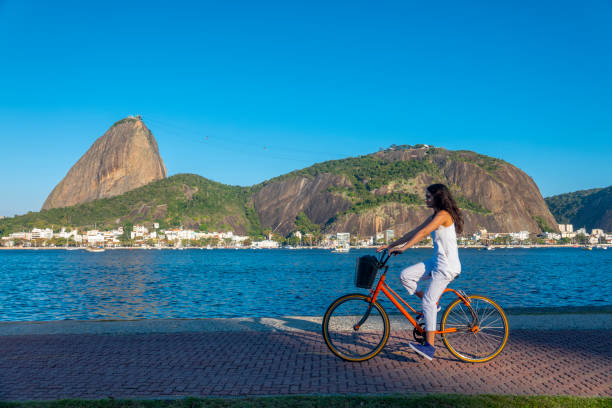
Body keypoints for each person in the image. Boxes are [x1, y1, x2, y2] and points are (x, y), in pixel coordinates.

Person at [377, 183, 463, 361]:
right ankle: (433, 307)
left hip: (446, 267)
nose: (426, 199)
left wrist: (405, 248)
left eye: (429, 196)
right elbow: (415, 231)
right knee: (405, 276)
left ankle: (430, 347)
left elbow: (424, 232)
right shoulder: (435, 215)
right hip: (436, 262)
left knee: (428, 302)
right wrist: (392, 245)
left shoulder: (443, 215)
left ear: (438, 198)